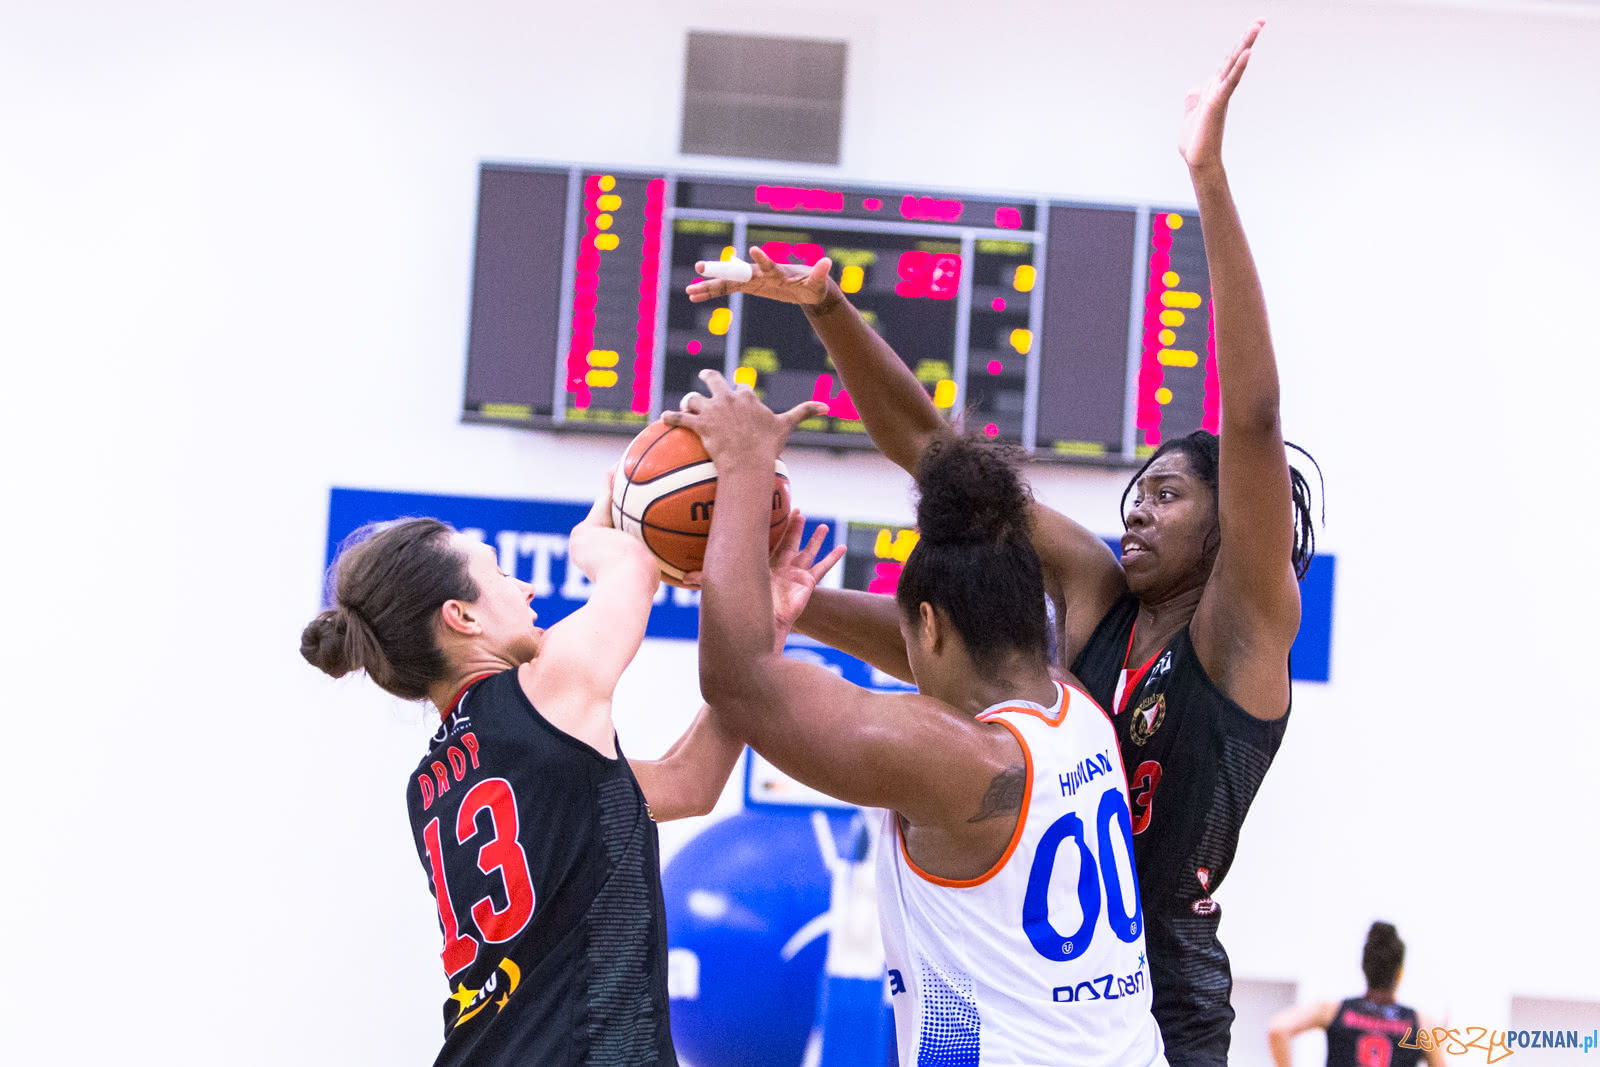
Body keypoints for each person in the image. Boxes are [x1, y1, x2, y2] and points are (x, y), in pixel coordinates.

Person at [683, 21, 1316, 1066]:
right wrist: (830, 309)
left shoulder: (1244, 631)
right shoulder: (1097, 602)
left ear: (1230, 524)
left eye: (1165, 494)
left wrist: (1206, 175)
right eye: (1135, 493)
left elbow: (1251, 419)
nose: (1135, 512)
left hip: (1160, 995)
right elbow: (938, 462)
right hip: (1034, 956)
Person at [666, 375, 1167, 1066]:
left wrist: (746, 467)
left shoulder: (963, 766)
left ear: (928, 623)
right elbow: (932, 653)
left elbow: (738, 681)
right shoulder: (1076, 701)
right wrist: (797, 605)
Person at [299, 480, 840, 1066]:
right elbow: (634, 566)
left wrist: (767, 630)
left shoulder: (431, 784)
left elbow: (690, 782)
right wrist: (589, 535)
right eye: (501, 574)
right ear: (462, 617)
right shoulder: (542, 690)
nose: (525, 587)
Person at [1266, 923, 1444, 1067]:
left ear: (1363, 966)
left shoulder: (1333, 1010)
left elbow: (1278, 1029)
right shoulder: (1420, 1023)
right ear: (1400, 973)